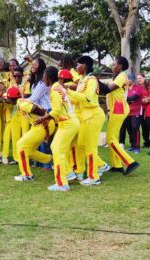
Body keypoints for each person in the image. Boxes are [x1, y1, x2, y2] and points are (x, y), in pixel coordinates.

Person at [60, 56, 107, 185]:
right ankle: (101, 166)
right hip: (86, 116)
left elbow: (87, 98)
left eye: (78, 64)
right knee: (80, 144)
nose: (76, 67)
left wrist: (69, 90)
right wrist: (65, 94)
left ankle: (94, 177)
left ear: (84, 66)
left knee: (90, 147)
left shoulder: (91, 80)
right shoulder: (82, 80)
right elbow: (76, 100)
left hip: (94, 115)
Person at [34, 66, 80, 191]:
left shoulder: (54, 90)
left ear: (48, 77)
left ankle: (62, 183)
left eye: (44, 76)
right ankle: (68, 172)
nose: (43, 78)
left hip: (68, 123)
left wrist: (41, 119)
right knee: (55, 147)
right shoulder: (57, 87)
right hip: (69, 122)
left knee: (57, 150)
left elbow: (56, 111)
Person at [105, 57, 139, 175]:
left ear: (120, 66)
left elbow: (108, 89)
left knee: (110, 138)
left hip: (118, 109)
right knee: (113, 138)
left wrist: (94, 82)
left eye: (114, 64)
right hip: (116, 109)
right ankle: (117, 165)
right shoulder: (118, 76)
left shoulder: (121, 76)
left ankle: (130, 162)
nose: (112, 66)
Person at [14, 95, 55, 182]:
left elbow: (43, 113)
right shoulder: (20, 103)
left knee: (21, 145)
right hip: (38, 126)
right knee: (28, 151)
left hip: (43, 125)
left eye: (7, 98)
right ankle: (51, 159)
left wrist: (47, 132)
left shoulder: (22, 105)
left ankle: (27, 175)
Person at [28, 58, 52, 170]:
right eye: (31, 64)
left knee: (45, 138)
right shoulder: (36, 81)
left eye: (35, 64)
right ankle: (42, 163)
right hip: (40, 111)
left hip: (47, 110)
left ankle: (48, 164)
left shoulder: (43, 83)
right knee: (41, 138)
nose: (32, 66)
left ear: (41, 67)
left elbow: (33, 98)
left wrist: (20, 100)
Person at [119, 73, 143, 153]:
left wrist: (126, 99)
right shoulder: (125, 89)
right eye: (126, 79)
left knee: (135, 127)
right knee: (129, 128)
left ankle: (137, 147)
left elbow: (135, 97)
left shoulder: (138, 88)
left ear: (132, 80)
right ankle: (132, 145)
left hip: (136, 111)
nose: (127, 81)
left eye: (128, 79)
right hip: (127, 111)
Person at [136, 73, 150, 148]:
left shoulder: (148, 87)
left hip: (148, 109)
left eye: (140, 78)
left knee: (148, 126)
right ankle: (146, 142)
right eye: (138, 78)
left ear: (144, 78)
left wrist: (147, 99)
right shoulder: (137, 87)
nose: (139, 79)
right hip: (139, 109)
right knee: (141, 126)